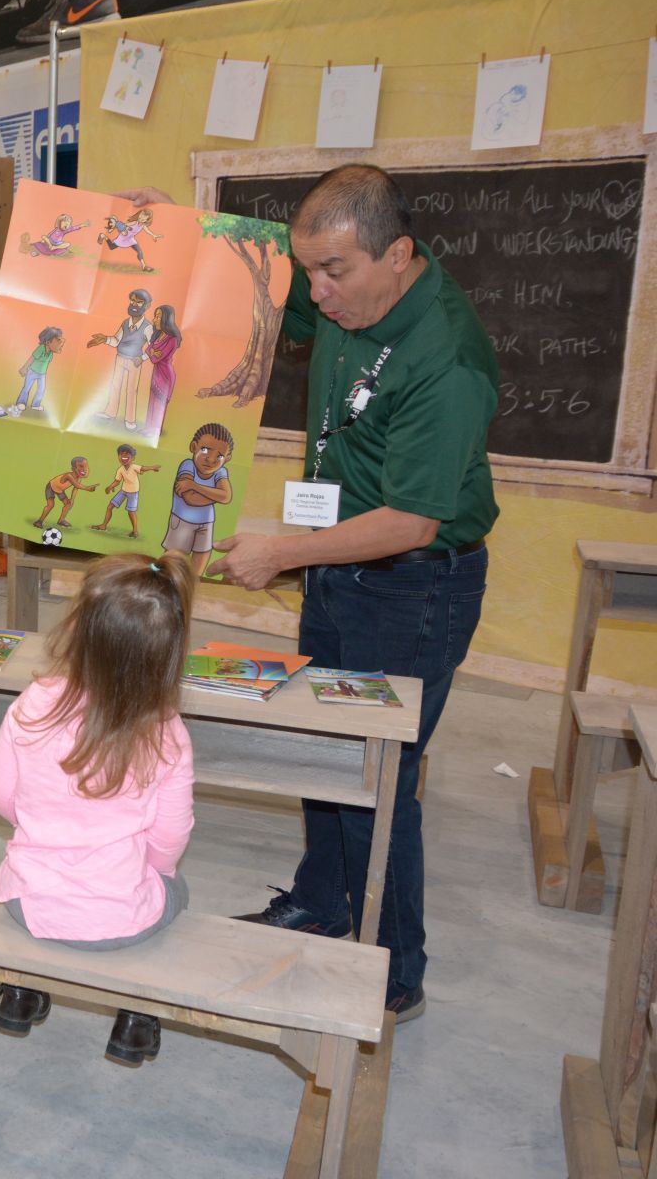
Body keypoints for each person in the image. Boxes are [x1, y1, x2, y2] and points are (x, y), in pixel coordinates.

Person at [121, 164, 497, 1023]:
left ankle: (394, 972)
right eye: (310, 270)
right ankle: (323, 902)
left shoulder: (445, 357)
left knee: (377, 776)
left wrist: (284, 554)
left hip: (411, 589)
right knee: (321, 748)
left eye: (338, 273)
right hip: (340, 569)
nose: (319, 293)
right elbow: (241, 284)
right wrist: (162, 228)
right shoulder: (337, 289)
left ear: (397, 255)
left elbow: (411, 520)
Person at [0, 553, 196, 1066]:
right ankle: (136, 1021)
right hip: (119, 917)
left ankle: (23, 992)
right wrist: (155, 874)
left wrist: (41, 822)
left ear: (78, 626)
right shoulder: (166, 732)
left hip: (27, 904)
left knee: (33, 870)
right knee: (177, 891)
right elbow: (170, 837)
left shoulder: (35, 701)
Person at [162, 423, 234, 577]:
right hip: (182, 520)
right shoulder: (187, 465)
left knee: (202, 554)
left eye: (220, 456)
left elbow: (227, 496)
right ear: (193, 447)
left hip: (206, 523)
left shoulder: (221, 471)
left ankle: (192, 586)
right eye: (205, 450)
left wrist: (194, 485)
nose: (211, 459)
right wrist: (216, 495)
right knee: (174, 559)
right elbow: (190, 499)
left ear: (227, 459)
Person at [87, 287, 152, 429]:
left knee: (131, 390)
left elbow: (153, 346)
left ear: (147, 306)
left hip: (134, 361)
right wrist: (105, 339)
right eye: (132, 301)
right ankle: (110, 412)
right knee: (115, 385)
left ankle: (130, 419)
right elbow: (116, 340)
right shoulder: (125, 323)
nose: (134, 305)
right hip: (120, 357)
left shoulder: (147, 327)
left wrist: (143, 357)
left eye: (139, 302)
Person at [91, 444, 160, 538]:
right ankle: (103, 525)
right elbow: (117, 481)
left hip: (133, 492)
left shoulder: (134, 467)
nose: (124, 457)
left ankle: (135, 531)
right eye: (121, 454)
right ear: (118, 457)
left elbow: (143, 468)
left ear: (132, 458)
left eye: (127, 455)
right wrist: (110, 487)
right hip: (123, 491)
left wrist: (152, 467)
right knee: (110, 506)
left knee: (131, 512)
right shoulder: (120, 469)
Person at [141, 303, 182, 435]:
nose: (154, 320)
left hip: (165, 375)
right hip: (157, 373)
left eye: (158, 317)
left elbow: (155, 359)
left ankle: (155, 430)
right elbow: (148, 350)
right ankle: (148, 427)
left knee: (160, 402)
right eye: (155, 316)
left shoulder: (173, 339)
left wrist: (153, 351)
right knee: (152, 401)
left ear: (166, 319)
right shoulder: (159, 336)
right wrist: (154, 351)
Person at [33, 456, 96, 530]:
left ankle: (61, 520)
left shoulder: (79, 477)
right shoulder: (68, 475)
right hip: (51, 487)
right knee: (51, 505)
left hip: (60, 490)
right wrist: (87, 488)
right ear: (73, 468)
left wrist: (72, 500)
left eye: (86, 466)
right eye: (81, 466)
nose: (84, 469)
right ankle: (39, 521)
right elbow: (76, 485)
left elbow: (75, 489)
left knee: (68, 504)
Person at [13, 326, 62, 413]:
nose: (59, 342)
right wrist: (24, 368)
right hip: (32, 371)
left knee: (41, 389)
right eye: (57, 340)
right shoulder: (41, 348)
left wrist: (58, 349)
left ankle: (35, 405)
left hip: (42, 374)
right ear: (48, 342)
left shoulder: (51, 352)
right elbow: (32, 358)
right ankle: (21, 403)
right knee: (27, 388)